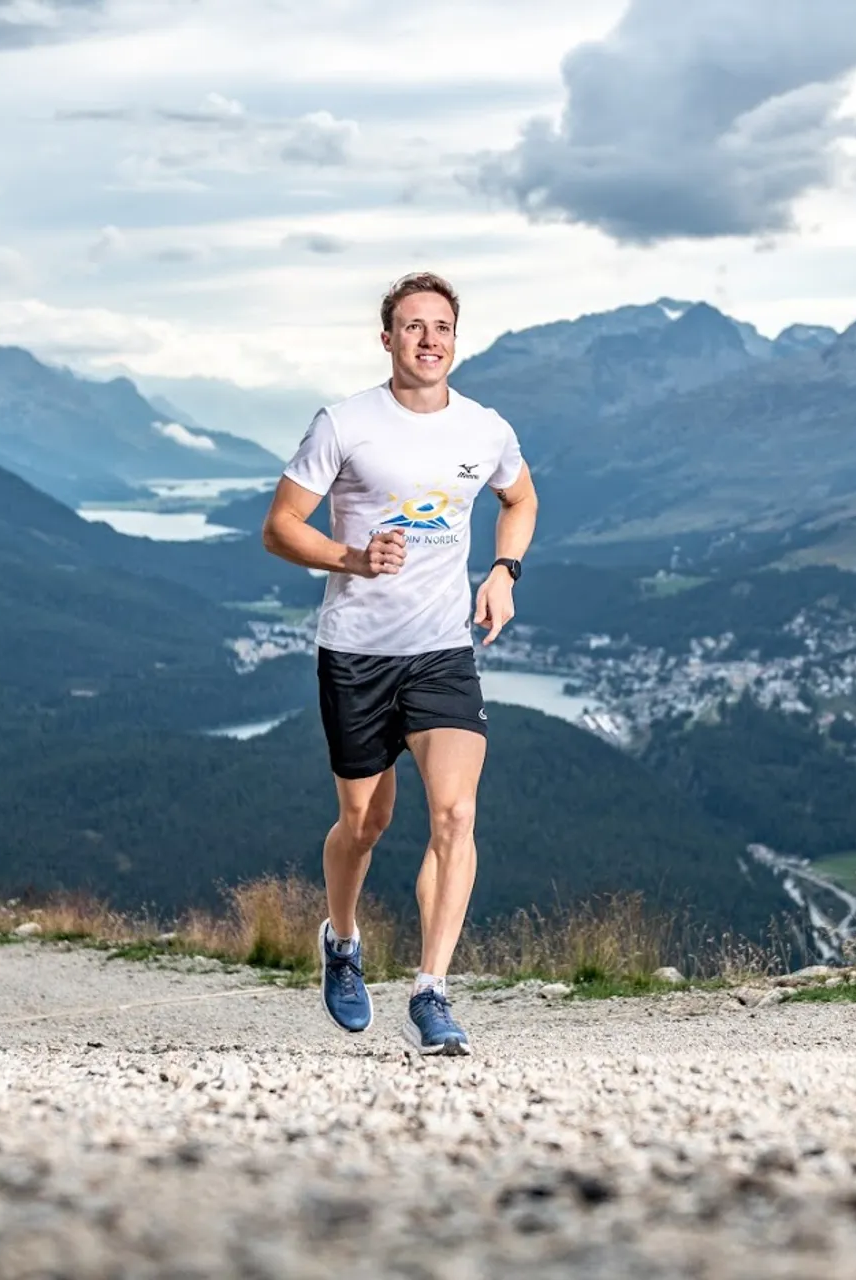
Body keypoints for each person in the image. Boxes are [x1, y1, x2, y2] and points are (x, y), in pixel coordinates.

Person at [261, 271, 538, 1056]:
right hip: (355, 651)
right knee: (365, 822)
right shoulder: (345, 425)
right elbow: (280, 528)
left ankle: (432, 990)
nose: (428, 340)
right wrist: (351, 555)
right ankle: (342, 941)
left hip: (442, 648)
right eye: (412, 327)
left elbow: (521, 501)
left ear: (457, 338)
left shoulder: (485, 430)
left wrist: (503, 571)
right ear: (387, 339)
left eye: (441, 327)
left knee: (454, 814)